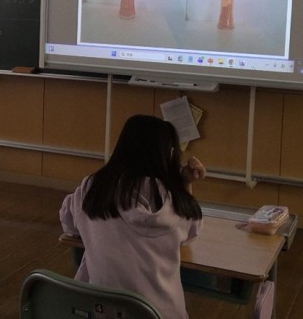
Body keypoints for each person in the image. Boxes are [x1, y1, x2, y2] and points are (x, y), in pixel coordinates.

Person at [59, 114, 206, 319]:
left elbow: (68, 224)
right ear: (170, 154)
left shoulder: (92, 188)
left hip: (102, 311)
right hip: (160, 314)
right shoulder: (174, 198)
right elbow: (191, 233)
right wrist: (184, 184)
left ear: (121, 148)